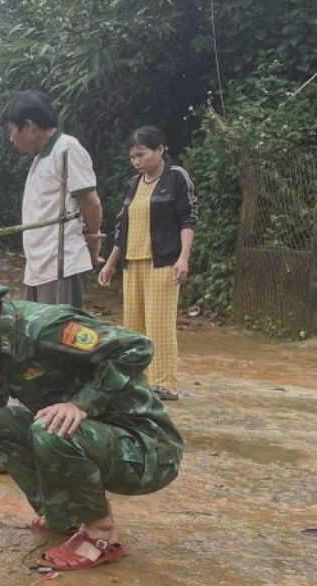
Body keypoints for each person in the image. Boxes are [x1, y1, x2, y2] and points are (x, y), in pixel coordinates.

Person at [0, 270, 183, 572]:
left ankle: (101, 534)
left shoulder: (43, 327)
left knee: (50, 428)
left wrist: (82, 403)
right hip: (100, 439)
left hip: (147, 448)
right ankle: (66, 514)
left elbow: (137, 346)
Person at [98, 127, 197, 401]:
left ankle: (165, 383)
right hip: (133, 261)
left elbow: (188, 218)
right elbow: (123, 228)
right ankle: (137, 380)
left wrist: (183, 257)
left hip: (163, 261)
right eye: (132, 157)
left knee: (160, 323)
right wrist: (110, 264)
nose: (136, 161)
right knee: (133, 325)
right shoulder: (134, 183)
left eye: (141, 155)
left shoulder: (176, 177)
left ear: (160, 149)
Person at [0, 91, 104, 308]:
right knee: (36, 334)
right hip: (39, 265)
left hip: (61, 264)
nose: (11, 139)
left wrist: (93, 238)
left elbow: (90, 202)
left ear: (29, 126)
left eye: (11, 132)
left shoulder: (67, 148)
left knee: (57, 337)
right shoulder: (40, 158)